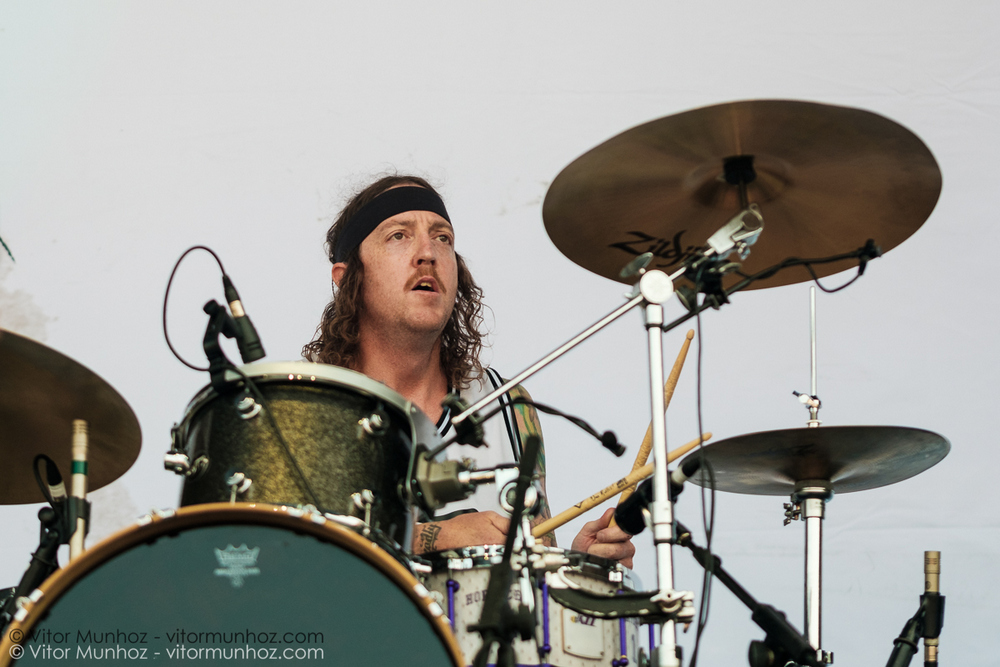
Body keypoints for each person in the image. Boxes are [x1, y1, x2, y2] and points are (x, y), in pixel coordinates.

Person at [303, 174, 634, 567]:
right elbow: (293, 558)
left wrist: (579, 562)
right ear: (347, 279)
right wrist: (438, 536)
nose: (427, 253)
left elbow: (537, 562)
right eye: (398, 236)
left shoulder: (507, 405)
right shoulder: (307, 403)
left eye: (443, 238)